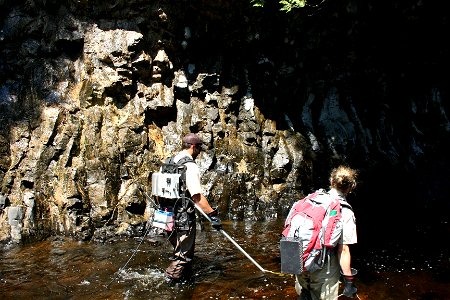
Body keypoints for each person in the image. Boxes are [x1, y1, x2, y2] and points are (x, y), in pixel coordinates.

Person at [162, 133, 222, 285]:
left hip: (165, 215)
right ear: (193, 147)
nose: (200, 152)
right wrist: (212, 214)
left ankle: (186, 279)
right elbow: (197, 196)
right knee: (182, 254)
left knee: (181, 248)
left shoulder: (171, 160)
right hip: (182, 218)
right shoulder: (189, 165)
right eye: (199, 148)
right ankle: (170, 282)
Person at [295, 165, 359, 300]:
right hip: (324, 269)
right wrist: (349, 281)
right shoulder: (345, 210)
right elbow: (344, 250)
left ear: (331, 181)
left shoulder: (312, 199)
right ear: (352, 186)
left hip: (300, 262)